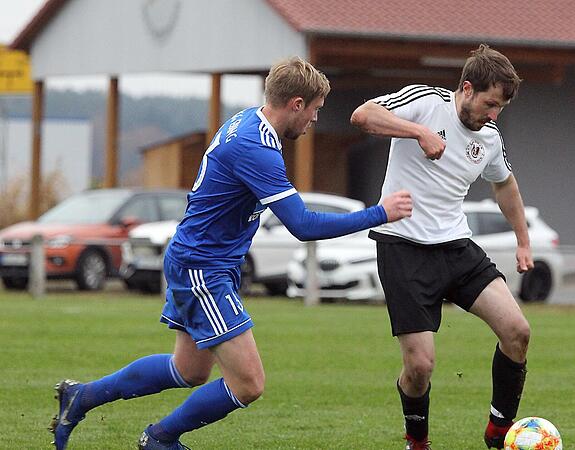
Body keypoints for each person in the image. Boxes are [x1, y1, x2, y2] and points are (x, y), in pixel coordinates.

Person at [49, 57, 413, 450]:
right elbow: (303, 225)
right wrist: (380, 213)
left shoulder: (248, 122)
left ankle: (81, 397)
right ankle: (158, 438)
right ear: (295, 103)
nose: (314, 120)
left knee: (188, 370)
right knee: (249, 383)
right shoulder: (255, 147)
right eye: (314, 110)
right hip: (202, 268)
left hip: (200, 261)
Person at [350, 44, 532, 450]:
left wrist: (522, 240)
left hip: (455, 247)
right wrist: (419, 132)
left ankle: (499, 433)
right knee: (419, 366)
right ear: (466, 88)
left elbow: (504, 184)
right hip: (403, 247)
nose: (493, 115)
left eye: (500, 108)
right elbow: (362, 115)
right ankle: (418, 441)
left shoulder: (489, 138)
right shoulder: (426, 103)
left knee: (518, 331)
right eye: (490, 104)